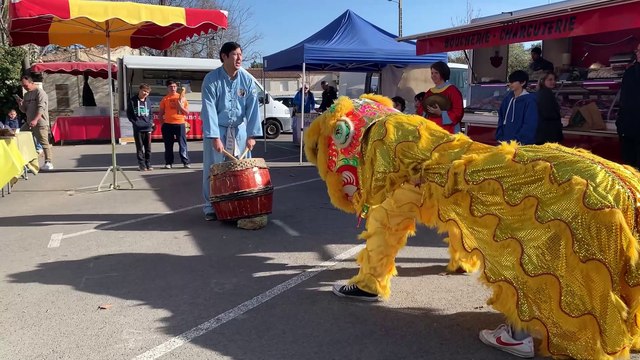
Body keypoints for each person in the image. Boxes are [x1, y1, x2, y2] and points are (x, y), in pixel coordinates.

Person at [305, 94, 640, 359]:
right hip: (485, 165)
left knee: (518, 232)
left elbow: (382, 205)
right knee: (481, 212)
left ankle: (518, 334)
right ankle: (463, 264)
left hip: (464, 175)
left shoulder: (380, 139)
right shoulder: (416, 127)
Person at [200, 41, 263, 221]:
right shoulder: (212, 80)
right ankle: (210, 206)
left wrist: (252, 135)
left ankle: (242, 201)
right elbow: (209, 109)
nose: (239, 58)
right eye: (235, 54)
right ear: (224, 56)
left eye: (240, 54)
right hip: (218, 130)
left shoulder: (247, 79)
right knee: (214, 169)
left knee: (243, 167)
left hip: (239, 130)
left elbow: (253, 108)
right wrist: (214, 137)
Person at [17, 75, 53, 170]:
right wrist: (20, 104)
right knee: (21, 137)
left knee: (44, 142)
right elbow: (25, 110)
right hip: (29, 122)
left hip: (40, 122)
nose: (24, 87)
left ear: (32, 83)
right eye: (23, 86)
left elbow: (41, 108)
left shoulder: (40, 93)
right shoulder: (26, 94)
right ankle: (28, 162)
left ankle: (48, 162)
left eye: (26, 85)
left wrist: (36, 119)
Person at [495, 70, 538, 145]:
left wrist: (520, 141)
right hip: (505, 142)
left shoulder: (530, 101)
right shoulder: (507, 99)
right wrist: (500, 137)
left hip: (522, 144)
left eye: (513, 82)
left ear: (523, 82)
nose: (510, 84)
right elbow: (501, 118)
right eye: (510, 82)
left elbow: (530, 124)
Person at [616, 41, 640, 169]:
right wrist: (620, 126)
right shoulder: (630, 72)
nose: (637, 53)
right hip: (629, 129)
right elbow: (624, 101)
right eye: (637, 50)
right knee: (629, 169)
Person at [424, 61, 464, 133]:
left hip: (448, 130)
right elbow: (422, 110)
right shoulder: (429, 92)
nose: (433, 76)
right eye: (432, 73)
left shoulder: (452, 91)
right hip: (432, 129)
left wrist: (441, 113)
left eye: (436, 73)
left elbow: (458, 113)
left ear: (443, 73)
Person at [159, 80, 190, 169]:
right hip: (168, 124)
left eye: (174, 86)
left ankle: (185, 162)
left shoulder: (182, 98)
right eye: (171, 87)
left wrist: (180, 107)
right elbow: (161, 113)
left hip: (180, 123)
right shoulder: (165, 99)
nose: (173, 88)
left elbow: (187, 112)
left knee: (182, 144)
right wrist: (162, 124)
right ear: (167, 88)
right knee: (168, 145)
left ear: (177, 88)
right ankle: (168, 163)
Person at [127, 83, 154, 171]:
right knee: (139, 147)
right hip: (138, 128)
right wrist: (135, 123)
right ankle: (141, 165)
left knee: (148, 148)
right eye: (144, 91)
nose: (145, 93)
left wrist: (150, 123)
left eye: (147, 92)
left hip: (148, 128)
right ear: (140, 90)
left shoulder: (149, 101)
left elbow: (150, 114)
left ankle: (148, 163)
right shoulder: (132, 101)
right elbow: (129, 114)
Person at [535, 71, 564, 145]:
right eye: (550, 80)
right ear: (542, 81)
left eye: (554, 79)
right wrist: (559, 114)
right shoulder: (546, 93)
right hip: (548, 134)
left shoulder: (541, 92)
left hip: (542, 134)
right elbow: (547, 113)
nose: (553, 82)